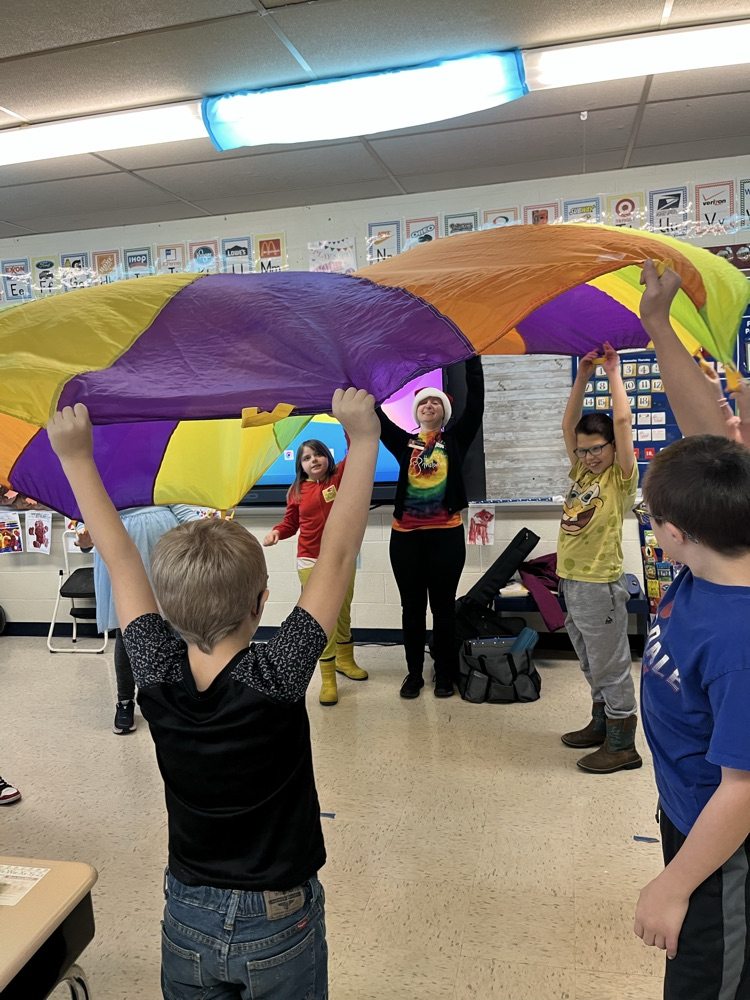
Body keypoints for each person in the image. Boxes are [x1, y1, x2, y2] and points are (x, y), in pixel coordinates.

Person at [47, 387, 379, 1000]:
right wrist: (364, 438)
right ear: (261, 604)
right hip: (278, 916)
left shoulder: (155, 672)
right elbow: (337, 556)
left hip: (187, 910)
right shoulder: (276, 675)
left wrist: (75, 458)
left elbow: (121, 560)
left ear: (165, 609)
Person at [633, 435, 750, 997]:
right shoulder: (707, 566)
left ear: (675, 532)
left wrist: (674, 885)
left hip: (724, 845)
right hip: (687, 806)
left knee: (708, 979)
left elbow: (743, 789)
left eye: (650, 518)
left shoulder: (737, 646)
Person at [377, 356, 484, 699]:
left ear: (444, 412)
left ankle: (444, 674)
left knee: (443, 609)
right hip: (405, 539)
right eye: (424, 402)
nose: (429, 405)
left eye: (436, 402)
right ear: (416, 412)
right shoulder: (406, 443)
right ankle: (413, 674)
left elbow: (476, 405)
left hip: (446, 537)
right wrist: (367, 380)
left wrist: (473, 362)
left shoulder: (455, 440)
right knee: (412, 609)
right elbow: (379, 419)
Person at [558, 342, 640, 773]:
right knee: (591, 661)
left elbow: (623, 421)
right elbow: (568, 424)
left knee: (610, 665)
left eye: (597, 449)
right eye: (583, 450)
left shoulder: (619, 478)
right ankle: (602, 723)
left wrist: (612, 374)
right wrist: (582, 376)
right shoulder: (580, 471)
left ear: (612, 447)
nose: (589, 457)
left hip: (599, 584)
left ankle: (623, 744)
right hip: (571, 581)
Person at [76, 505, 201, 735]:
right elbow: (89, 520)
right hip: (119, 549)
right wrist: (85, 542)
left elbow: (183, 509)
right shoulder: (104, 481)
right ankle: (125, 702)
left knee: (173, 626)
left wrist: (210, 530)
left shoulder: (158, 480)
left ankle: (174, 697)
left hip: (162, 551)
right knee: (127, 632)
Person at [263, 438, 367, 706]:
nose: (313, 460)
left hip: (342, 556)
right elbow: (290, 523)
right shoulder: (297, 491)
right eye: (307, 458)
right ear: (301, 466)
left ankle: (345, 661)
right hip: (310, 559)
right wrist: (277, 532)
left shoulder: (339, 478)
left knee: (343, 610)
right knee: (323, 618)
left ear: (327, 457)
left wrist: (346, 423)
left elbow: (355, 449)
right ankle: (328, 678)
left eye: (318, 454)